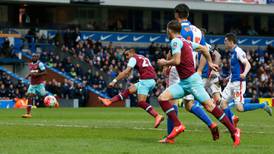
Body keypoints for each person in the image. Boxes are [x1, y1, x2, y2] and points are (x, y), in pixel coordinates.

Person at [157, 20, 240, 147]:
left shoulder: (175, 41)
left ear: (169, 30)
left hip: (192, 82)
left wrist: (165, 63)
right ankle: (178, 125)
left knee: (210, 107)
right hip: (184, 82)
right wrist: (210, 62)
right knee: (162, 98)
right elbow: (203, 48)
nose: (166, 33)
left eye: (166, 31)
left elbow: (177, 61)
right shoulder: (186, 42)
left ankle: (234, 131)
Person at [165, 3, 219, 141]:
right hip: (191, 68)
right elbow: (204, 49)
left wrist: (166, 64)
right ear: (188, 15)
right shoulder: (197, 31)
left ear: (176, 14)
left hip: (178, 68)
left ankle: (170, 136)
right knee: (189, 105)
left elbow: (174, 50)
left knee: (170, 100)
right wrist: (202, 69)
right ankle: (211, 123)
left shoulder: (175, 28)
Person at [98, 49, 164, 128]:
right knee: (129, 90)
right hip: (149, 80)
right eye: (125, 55)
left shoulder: (133, 58)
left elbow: (126, 72)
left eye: (127, 54)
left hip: (146, 81)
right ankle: (109, 101)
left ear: (132, 52)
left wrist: (114, 81)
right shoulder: (142, 57)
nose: (126, 57)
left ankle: (157, 116)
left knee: (141, 102)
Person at [220, 33, 272, 126]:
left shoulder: (238, 51)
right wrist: (228, 77)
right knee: (222, 104)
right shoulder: (232, 52)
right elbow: (235, 68)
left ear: (231, 42)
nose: (224, 43)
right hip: (231, 82)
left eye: (226, 41)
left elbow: (248, 64)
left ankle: (263, 105)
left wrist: (244, 73)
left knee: (239, 108)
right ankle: (232, 125)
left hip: (238, 83)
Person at [22, 53, 48, 118]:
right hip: (32, 84)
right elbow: (32, 72)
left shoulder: (40, 64)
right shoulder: (30, 65)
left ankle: (52, 99)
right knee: (29, 96)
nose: (33, 57)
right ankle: (28, 113)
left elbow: (45, 72)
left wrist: (37, 74)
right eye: (33, 56)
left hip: (39, 84)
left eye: (35, 56)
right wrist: (28, 75)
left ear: (38, 58)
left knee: (43, 95)